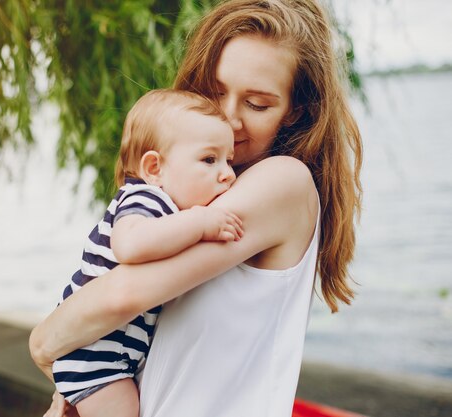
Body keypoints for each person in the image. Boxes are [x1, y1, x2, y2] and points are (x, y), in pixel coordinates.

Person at [30, 0, 363, 416]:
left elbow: (121, 295)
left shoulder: (284, 182)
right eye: (215, 91)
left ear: (296, 112)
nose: (228, 118)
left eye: (257, 104)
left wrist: (43, 343)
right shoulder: (196, 194)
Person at [52, 89, 243, 417]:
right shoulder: (146, 199)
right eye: (209, 159)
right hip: (94, 358)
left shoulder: (164, 208)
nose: (227, 173)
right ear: (154, 168)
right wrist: (199, 222)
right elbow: (130, 245)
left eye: (229, 160)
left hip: (108, 356)